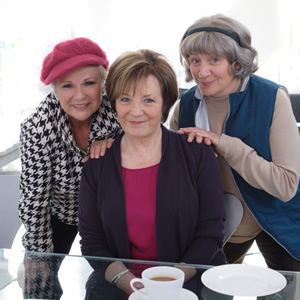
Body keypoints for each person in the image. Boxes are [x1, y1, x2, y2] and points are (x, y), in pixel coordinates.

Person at [78, 49, 227, 299]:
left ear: (165, 104)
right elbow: (92, 241)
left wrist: (168, 282)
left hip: (189, 276)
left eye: (148, 100)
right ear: (114, 102)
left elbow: (211, 233)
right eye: (125, 99)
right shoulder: (97, 164)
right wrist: (129, 284)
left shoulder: (197, 153)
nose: (136, 112)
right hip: (120, 280)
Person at [169, 14, 300, 271]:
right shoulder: (183, 108)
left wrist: (226, 145)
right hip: (218, 225)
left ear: (237, 63)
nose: (202, 71)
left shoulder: (273, 98)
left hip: (278, 219)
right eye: (195, 60)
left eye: (214, 60)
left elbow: (286, 186)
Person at [18, 37, 121, 299]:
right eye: (67, 86)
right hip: (58, 213)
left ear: (103, 83)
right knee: (39, 286)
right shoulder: (37, 127)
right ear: (53, 88)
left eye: (89, 83)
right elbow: (34, 198)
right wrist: (38, 256)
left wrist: (121, 146)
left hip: (107, 215)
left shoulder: (120, 113)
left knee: (110, 287)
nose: (79, 96)